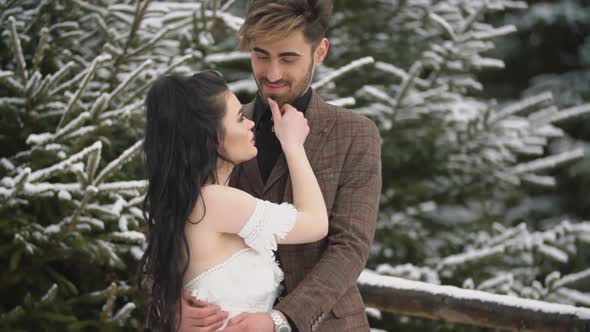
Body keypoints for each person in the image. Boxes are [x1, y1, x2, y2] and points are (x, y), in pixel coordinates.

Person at [180, 0, 382, 331]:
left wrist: (281, 319)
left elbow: (350, 248)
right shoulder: (218, 129)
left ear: (320, 52)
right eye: (262, 56)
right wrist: (172, 301)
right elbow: (174, 223)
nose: (272, 74)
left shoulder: (356, 134)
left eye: (288, 58)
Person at [140, 71, 330, 331]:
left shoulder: (184, 201)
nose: (250, 123)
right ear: (214, 137)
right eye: (240, 118)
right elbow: (316, 224)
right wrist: (293, 144)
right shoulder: (215, 201)